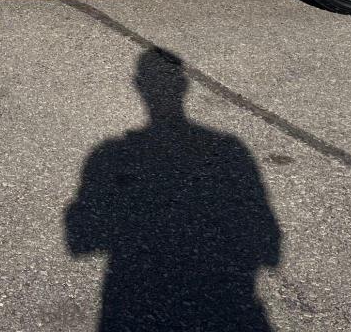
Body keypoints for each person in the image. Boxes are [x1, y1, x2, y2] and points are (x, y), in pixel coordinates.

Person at [65, 48, 282, 331]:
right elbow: (269, 244)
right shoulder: (229, 149)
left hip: (133, 300)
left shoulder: (108, 155)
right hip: (231, 304)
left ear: (138, 85)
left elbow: (81, 239)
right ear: (184, 86)